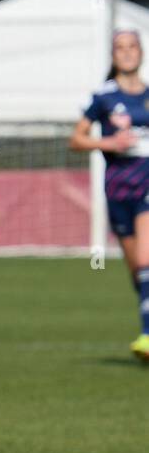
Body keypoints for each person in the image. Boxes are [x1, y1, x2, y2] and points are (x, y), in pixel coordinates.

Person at [69, 27, 149, 361]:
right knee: (136, 270)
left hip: (147, 180)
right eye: (120, 48)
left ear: (141, 52)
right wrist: (108, 143)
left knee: (146, 260)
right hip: (118, 187)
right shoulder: (103, 97)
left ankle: (146, 336)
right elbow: (76, 140)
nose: (127, 52)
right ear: (113, 55)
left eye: (132, 46)